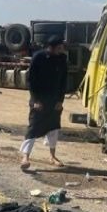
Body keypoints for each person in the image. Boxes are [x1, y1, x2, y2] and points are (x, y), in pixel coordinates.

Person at [19, 34, 68, 170]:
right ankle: (25, 157)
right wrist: (35, 100)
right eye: (59, 47)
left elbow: (63, 81)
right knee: (33, 127)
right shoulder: (38, 57)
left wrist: (60, 100)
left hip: (54, 100)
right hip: (39, 100)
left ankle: (52, 156)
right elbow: (31, 81)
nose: (62, 50)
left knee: (54, 128)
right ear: (51, 47)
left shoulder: (62, 59)